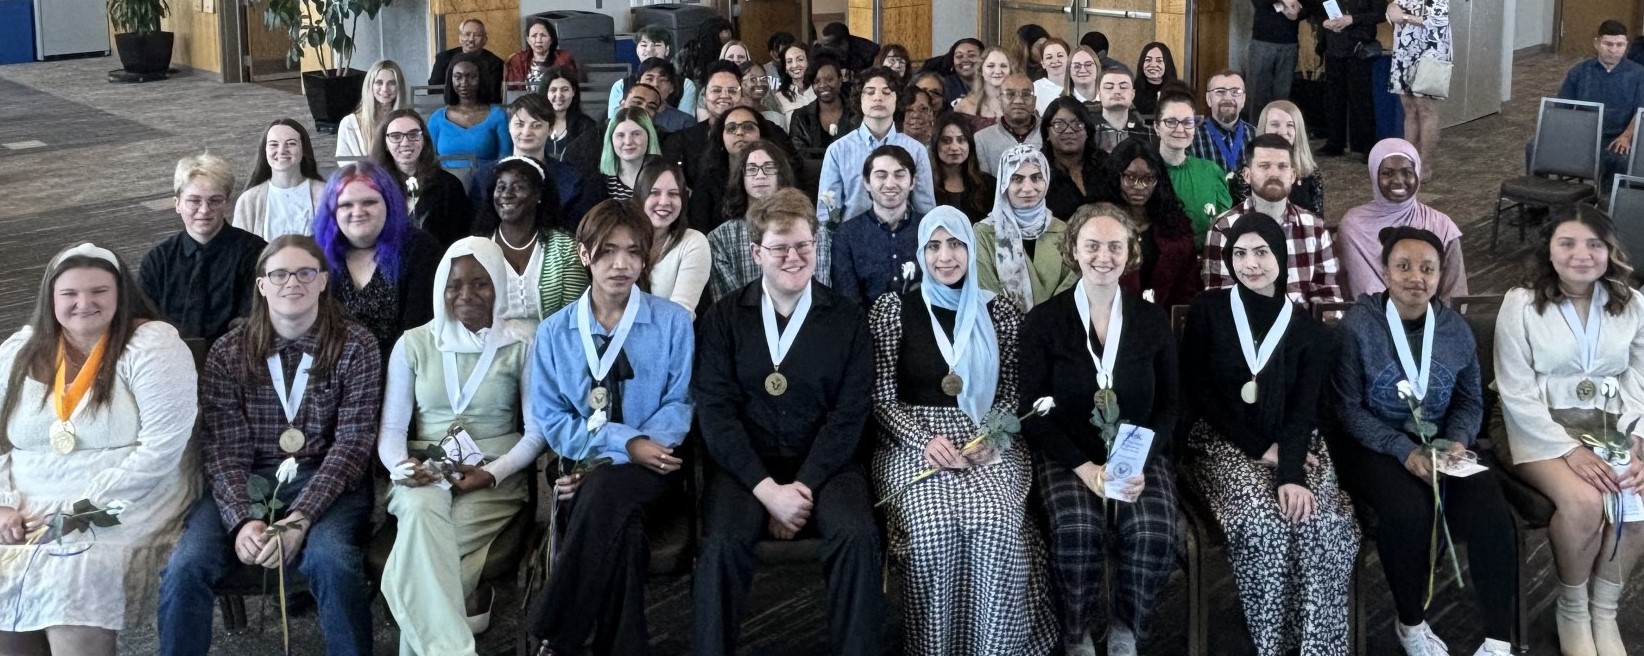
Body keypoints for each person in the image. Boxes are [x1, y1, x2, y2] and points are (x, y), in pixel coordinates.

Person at [158, 234, 379, 656]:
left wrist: (300, 518)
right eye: (278, 274)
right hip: (248, 477)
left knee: (331, 562)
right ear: (261, 285)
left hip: (328, 479)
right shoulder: (229, 352)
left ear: (322, 282)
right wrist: (241, 519)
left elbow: (352, 444)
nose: (290, 282)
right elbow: (223, 449)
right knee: (186, 565)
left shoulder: (356, 345)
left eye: (304, 273)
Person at [692, 187, 883, 656]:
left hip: (827, 466)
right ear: (757, 253)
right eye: (780, 248)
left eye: (805, 245)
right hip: (747, 469)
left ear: (818, 247)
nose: (794, 258)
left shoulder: (848, 320)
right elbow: (716, 415)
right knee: (719, 545)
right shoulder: (722, 320)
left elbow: (850, 416)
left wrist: (803, 487)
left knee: (857, 537)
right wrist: (767, 491)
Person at [870, 205, 1059, 655]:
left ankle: (996, 648)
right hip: (912, 439)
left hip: (988, 437)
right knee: (933, 532)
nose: (945, 257)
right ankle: (934, 648)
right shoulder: (894, 309)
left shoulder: (1001, 313)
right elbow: (880, 396)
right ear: (921, 252)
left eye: (955, 244)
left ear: (971, 250)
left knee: (993, 525)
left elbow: (1013, 390)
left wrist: (992, 438)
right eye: (933, 246)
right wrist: (923, 441)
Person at [0, 244, 194, 655]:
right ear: (50, 298)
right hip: (26, 496)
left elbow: (162, 447)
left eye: (99, 291)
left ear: (120, 294)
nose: (84, 303)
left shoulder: (151, 344)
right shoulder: (20, 349)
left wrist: (81, 510)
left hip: (128, 497)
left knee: (75, 563)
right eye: (69, 294)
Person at [1180, 213, 1359, 656]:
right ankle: (1271, 643)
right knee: (1264, 522)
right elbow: (1199, 392)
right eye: (1239, 253)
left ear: (1280, 256)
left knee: (1322, 522)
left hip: (1295, 442)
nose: (1250, 264)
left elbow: (1303, 411)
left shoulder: (1308, 331)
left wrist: (1291, 470)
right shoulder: (1208, 310)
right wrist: (1263, 449)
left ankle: (1318, 646)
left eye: (1261, 252)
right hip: (1221, 439)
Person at [1333, 227, 1517, 656]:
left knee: (1492, 508)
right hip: (1376, 445)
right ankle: (1410, 622)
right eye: (1403, 266)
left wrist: (1457, 440)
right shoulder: (1358, 327)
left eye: (1428, 268)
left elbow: (1472, 399)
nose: (1416, 277)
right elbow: (1347, 409)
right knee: (1408, 511)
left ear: (1440, 275)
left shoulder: (1455, 330)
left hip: (1442, 446)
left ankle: (1498, 639)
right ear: (1384, 270)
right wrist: (1403, 450)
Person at [525, 200, 695, 656]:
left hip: (656, 468)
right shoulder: (554, 332)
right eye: (607, 251)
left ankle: (553, 630)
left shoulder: (673, 322)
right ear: (584, 254)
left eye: (633, 252)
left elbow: (681, 404)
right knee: (624, 535)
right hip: (582, 466)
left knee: (600, 491)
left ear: (646, 258)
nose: (621, 264)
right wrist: (624, 444)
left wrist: (634, 448)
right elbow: (554, 418)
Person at [1019, 205, 1183, 656]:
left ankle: (1127, 626)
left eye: (1115, 245)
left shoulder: (1151, 321)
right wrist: (1084, 468)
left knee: (1152, 532)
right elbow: (1031, 410)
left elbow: (1170, 405)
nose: (1103, 256)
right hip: (1069, 454)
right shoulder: (1043, 322)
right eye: (1092, 245)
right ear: (1073, 249)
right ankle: (1077, 630)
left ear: (1131, 253)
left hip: (1138, 452)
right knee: (1077, 531)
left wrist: (1141, 462)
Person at [377, 237, 542, 652]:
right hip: (423, 471)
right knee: (419, 510)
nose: (466, 294)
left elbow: (537, 432)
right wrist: (402, 467)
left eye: (480, 283)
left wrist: (493, 473)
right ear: (440, 288)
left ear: (499, 286)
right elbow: (392, 431)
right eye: (454, 284)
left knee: (420, 564)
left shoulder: (521, 345)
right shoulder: (413, 344)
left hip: (492, 477)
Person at [1493, 206, 1644, 656]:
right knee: (1584, 503)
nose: (1582, 254)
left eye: (1593, 244)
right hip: (1535, 424)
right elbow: (1514, 390)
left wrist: (1636, 439)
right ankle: (1573, 610)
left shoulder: (1632, 303)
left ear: (1609, 250)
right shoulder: (1519, 303)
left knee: (1634, 503)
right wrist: (1566, 450)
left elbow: (1639, 378)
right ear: (1550, 250)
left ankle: (1604, 609)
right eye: (1568, 243)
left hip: (1607, 424)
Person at [313, 162, 442, 360]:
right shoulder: (313, 253)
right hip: (330, 367)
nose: (358, 211)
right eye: (346, 204)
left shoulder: (421, 250)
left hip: (402, 369)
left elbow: (417, 334)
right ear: (333, 211)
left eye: (369, 202)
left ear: (389, 204)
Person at [1203, 134, 1342, 307]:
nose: (1274, 174)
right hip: (1246, 329)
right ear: (1247, 175)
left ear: (1292, 175)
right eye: (1264, 166)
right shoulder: (1224, 228)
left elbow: (1328, 296)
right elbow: (1220, 302)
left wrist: (1326, 325)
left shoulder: (1314, 227)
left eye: (1282, 167)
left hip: (1301, 327)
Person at [141, 153, 267, 343]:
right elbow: (143, 323)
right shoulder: (157, 261)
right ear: (177, 204)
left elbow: (256, 321)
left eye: (215, 200)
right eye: (194, 200)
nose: (204, 209)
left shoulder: (256, 253)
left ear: (227, 203)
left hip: (236, 358)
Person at [1338, 138, 1467, 301]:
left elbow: (1455, 294)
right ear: (1374, 175)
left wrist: (1441, 324)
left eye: (1407, 173)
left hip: (1432, 321)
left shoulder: (1442, 225)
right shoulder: (1353, 226)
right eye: (1387, 173)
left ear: (1417, 175)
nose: (1398, 181)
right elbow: (1350, 290)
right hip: (1372, 320)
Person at [709, 143, 828, 301]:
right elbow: (729, 306)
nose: (760, 175)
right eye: (751, 169)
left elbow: (819, 291)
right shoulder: (719, 239)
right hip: (744, 322)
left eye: (769, 167)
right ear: (741, 177)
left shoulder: (814, 229)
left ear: (781, 174)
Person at [475, 156, 587, 323]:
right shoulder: (477, 249)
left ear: (538, 195)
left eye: (518, 187)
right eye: (501, 187)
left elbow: (572, 317)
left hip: (551, 346)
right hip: (491, 346)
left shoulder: (565, 248)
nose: (507, 195)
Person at [818, 67, 936, 225]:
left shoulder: (916, 150)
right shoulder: (838, 150)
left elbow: (925, 211)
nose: (878, 98)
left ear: (897, 99)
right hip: (852, 242)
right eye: (870, 92)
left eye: (886, 92)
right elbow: (827, 212)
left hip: (903, 241)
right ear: (860, 99)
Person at [1098, 142, 1203, 308]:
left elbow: (1187, 288)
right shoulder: (1097, 223)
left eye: (1148, 178)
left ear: (1158, 180)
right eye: (1130, 178)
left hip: (1163, 320)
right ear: (1115, 177)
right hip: (1107, 319)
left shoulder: (1175, 224)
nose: (1140, 187)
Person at [976, 145, 1077, 312]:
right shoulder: (985, 232)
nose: (1028, 188)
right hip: (1004, 332)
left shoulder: (1063, 231)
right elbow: (987, 293)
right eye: (1017, 179)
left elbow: (1070, 288)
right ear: (1004, 184)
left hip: (1056, 329)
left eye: (1036, 177)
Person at [1546, 19, 1644, 188]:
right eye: (1608, 44)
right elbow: (1562, 108)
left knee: (1619, 158)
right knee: (1535, 147)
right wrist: (1568, 134)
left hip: (1617, 138)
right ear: (1597, 43)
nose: (1613, 50)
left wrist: (1626, 136)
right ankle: (1539, 201)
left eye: (1619, 45)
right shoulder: (1580, 71)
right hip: (1583, 135)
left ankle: (1607, 205)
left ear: (1626, 45)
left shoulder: (1638, 74)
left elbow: (1641, 111)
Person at [831, 145, 921, 305]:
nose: (890, 184)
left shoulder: (928, 229)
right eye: (881, 176)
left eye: (899, 175)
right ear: (866, 182)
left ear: (912, 182)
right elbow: (847, 300)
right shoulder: (846, 235)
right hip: (862, 326)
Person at [370, 109, 474, 247]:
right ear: (385, 144)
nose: (405, 142)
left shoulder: (449, 185)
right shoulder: (372, 186)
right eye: (396, 136)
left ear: (424, 139)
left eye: (413, 134)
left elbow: (460, 242)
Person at [690, 106, 801, 235]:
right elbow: (699, 227)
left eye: (748, 127)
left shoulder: (782, 168)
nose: (739, 133)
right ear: (721, 137)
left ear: (761, 134)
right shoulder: (708, 177)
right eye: (731, 128)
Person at [495, 94, 593, 225]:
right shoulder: (488, 175)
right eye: (519, 124)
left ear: (550, 129)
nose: (526, 132)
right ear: (509, 127)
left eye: (536, 125)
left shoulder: (571, 178)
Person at [1154, 91, 1234, 245]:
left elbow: (1223, 229)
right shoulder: (1145, 173)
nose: (1180, 129)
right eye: (1171, 121)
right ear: (1157, 127)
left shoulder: (1211, 171)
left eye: (1187, 122)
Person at [637, 159, 711, 316]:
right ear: (640, 197)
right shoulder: (623, 240)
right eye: (654, 193)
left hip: (669, 337)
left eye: (673, 194)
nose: (664, 202)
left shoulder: (693, 242)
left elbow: (681, 315)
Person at [233, 118, 326, 241]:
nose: (282, 151)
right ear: (264, 151)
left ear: (304, 149)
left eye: (291, 143)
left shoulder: (326, 194)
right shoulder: (249, 200)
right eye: (274, 144)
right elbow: (241, 251)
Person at [1387, 0, 1451, 179]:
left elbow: (1437, 18)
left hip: (1430, 46)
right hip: (1404, 46)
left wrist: (1404, 16)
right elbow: (1395, 7)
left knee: (1426, 110)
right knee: (1409, 108)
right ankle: (1409, 161)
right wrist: (1391, 8)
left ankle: (1424, 166)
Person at [1315, 0, 1387, 157]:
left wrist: (1352, 19)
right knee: (1333, 98)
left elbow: (1380, 14)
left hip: (1359, 47)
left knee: (1361, 99)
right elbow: (1316, 8)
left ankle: (1368, 146)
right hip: (1333, 46)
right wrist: (1324, 22)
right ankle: (1335, 143)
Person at [1230, 100, 1326, 215]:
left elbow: (1317, 221)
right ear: (1263, 128)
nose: (1282, 131)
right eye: (1275, 124)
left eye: (1290, 125)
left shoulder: (1311, 174)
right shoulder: (1244, 175)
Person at [427, 54, 511, 168]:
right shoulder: (437, 118)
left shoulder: (498, 115)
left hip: (487, 183)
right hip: (446, 183)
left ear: (481, 78)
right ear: (450, 80)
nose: (464, 83)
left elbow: (506, 159)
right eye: (458, 77)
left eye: (471, 77)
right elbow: (428, 161)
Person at [607, 26, 699, 118]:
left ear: (667, 50)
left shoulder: (685, 85)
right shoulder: (621, 85)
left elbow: (687, 122)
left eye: (657, 45)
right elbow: (612, 122)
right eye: (644, 45)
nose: (649, 49)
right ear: (637, 50)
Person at [1042, 97, 1106, 220]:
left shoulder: (1105, 163)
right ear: (1047, 132)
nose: (1069, 131)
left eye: (1078, 124)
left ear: (1087, 130)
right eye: (1059, 124)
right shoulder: (1037, 170)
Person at [1248, 0, 1309, 119]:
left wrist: (1297, 14)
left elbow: (1310, 6)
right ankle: (1257, 132)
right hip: (1263, 41)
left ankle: (1279, 133)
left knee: (1283, 95)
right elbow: (1257, 2)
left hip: (1289, 42)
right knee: (1258, 93)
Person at [974, 73, 1043, 176]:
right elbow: (984, 184)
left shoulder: (1049, 133)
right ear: (1000, 100)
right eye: (1010, 94)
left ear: (1034, 101)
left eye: (1026, 94)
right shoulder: (982, 139)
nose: (1018, 101)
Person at [933, 113, 997, 223]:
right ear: (935, 144)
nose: (954, 147)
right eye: (946, 140)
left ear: (970, 144)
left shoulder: (989, 185)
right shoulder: (925, 185)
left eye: (961, 140)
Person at [337, 59, 409, 158]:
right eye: (379, 82)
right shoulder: (349, 124)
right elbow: (345, 165)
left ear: (399, 87)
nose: (385, 89)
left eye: (392, 83)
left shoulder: (410, 122)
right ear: (370, 86)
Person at [788, 54, 857, 151]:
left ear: (840, 80)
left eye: (829, 79)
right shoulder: (800, 117)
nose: (823, 85)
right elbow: (800, 156)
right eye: (817, 81)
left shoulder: (856, 113)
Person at [1192, 70, 1256, 173]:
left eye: (1235, 92)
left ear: (1243, 99)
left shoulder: (1256, 136)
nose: (1228, 98)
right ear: (1208, 98)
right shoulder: (1192, 137)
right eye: (1220, 91)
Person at [597, 108, 662, 202]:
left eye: (636, 134)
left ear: (649, 136)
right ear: (611, 140)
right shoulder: (599, 182)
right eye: (620, 135)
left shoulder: (666, 178)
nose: (628, 142)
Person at [505, 18, 583, 95]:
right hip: (528, 104)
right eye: (534, 36)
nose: (538, 40)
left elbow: (574, 87)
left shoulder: (564, 58)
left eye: (543, 35)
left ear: (551, 39)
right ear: (528, 40)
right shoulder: (518, 61)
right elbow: (512, 91)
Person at [429, 18, 504, 95]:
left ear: (485, 40)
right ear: (460, 38)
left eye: (477, 35)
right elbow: (434, 90)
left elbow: (494, 94)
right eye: (467, 34)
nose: (471, 39)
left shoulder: (495, 63)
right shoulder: (444, 58)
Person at [543, 69, 600, 161]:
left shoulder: (587, 126)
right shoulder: (536, 124)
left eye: (564, 90)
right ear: (546, 93)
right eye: (553, 90)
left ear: (573, 92)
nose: (558, 95)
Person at [954, 47, 1014, 132]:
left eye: (1003, 66)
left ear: (1011, 71)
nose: (997, 71)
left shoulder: (1020, 103)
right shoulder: (963, 106)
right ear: (980, 70)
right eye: (990, 66)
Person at [1093, 68, 1150, 153]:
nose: (1117, 91)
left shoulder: (1148, 134)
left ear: (1133, 94)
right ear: (1099, 95)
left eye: (1123, 87)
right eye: (1109, 87)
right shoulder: (1088, 133)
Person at [769, 43, 816, 116]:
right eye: (789, 61)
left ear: (809, 62)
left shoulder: (819, 89)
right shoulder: (779, 97)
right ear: (785, 68)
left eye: (800, 59)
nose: (795, 65)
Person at [740, 61, 790, 130]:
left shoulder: (775, 117)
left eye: (763, 79)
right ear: (740, 83)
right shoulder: (734, 115)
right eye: (753, 79)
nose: (760, 84)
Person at [1133, 42, 1178, 118]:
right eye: (1148, 60)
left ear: (1167, 64)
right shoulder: (1131, 89)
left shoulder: (1178, 92)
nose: (1153, 65)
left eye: (1159, 61)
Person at [941, 39, 985, 107]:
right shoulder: (944, 85)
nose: (965, 60)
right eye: (959, 56)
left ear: (984, 58)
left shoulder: (993, 82)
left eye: (971, 55)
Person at [1035, 37, 1071, 115]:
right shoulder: (1035, 88)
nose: (1055, 61)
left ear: (1069, 59)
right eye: (1049, 57)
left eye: (1060, 56)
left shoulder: (1078, 86)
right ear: (1042, 63)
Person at [899, 81, 939, 147]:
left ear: (931, 113)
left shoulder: (941, 145)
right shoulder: (891, 146)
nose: (916, 115)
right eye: (909, 110)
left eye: (923, 109)